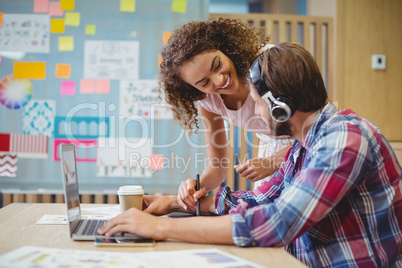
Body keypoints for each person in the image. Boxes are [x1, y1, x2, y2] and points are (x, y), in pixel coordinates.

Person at [99, 42, 402, 267]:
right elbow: (261, 200)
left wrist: (160, 228)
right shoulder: (303, 146)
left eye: (257, 103)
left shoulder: (344, 138)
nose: (254, 112)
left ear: (279, 106)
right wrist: (174, 203)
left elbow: (279, 221)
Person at [158, 18, 292, 210]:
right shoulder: (207, 100)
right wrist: (199, 186)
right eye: (204, 83)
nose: (220, 80)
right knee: (266, 218)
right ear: (193, 89)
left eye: (217, 64)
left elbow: (320, 127)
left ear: (224, 47)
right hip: (271, 153)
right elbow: (217, 167)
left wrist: (274, 161)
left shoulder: (268, 64)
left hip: (307, 145)